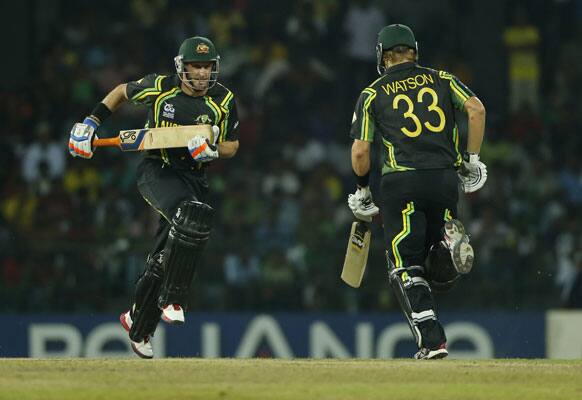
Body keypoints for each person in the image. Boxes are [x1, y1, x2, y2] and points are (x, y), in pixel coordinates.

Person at [68, 36, 239, 358]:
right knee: (191, 215)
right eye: (195, 66)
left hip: (194, 177)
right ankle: (173, 300)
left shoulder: (224, 99)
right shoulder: (160, 88)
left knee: (166, 255)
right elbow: (120, 92)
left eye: (207, 67)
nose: (202, 73)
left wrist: (213, 148)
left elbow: (233, 145)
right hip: (157, 171)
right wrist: (91, 123)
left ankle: (138, 323)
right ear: (182, 67)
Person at [347, 24, 487, 359]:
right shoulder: (442, 78)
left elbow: (360, 152)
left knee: (405, 264)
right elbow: (477, 109)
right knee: (432, 265)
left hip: (403, 183)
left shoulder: (373, 92)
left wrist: (363, 190)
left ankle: (432, 341)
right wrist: (471, 160)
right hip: (443, 180)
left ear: (382, 54)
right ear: (414, 51)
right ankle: (444, 241)